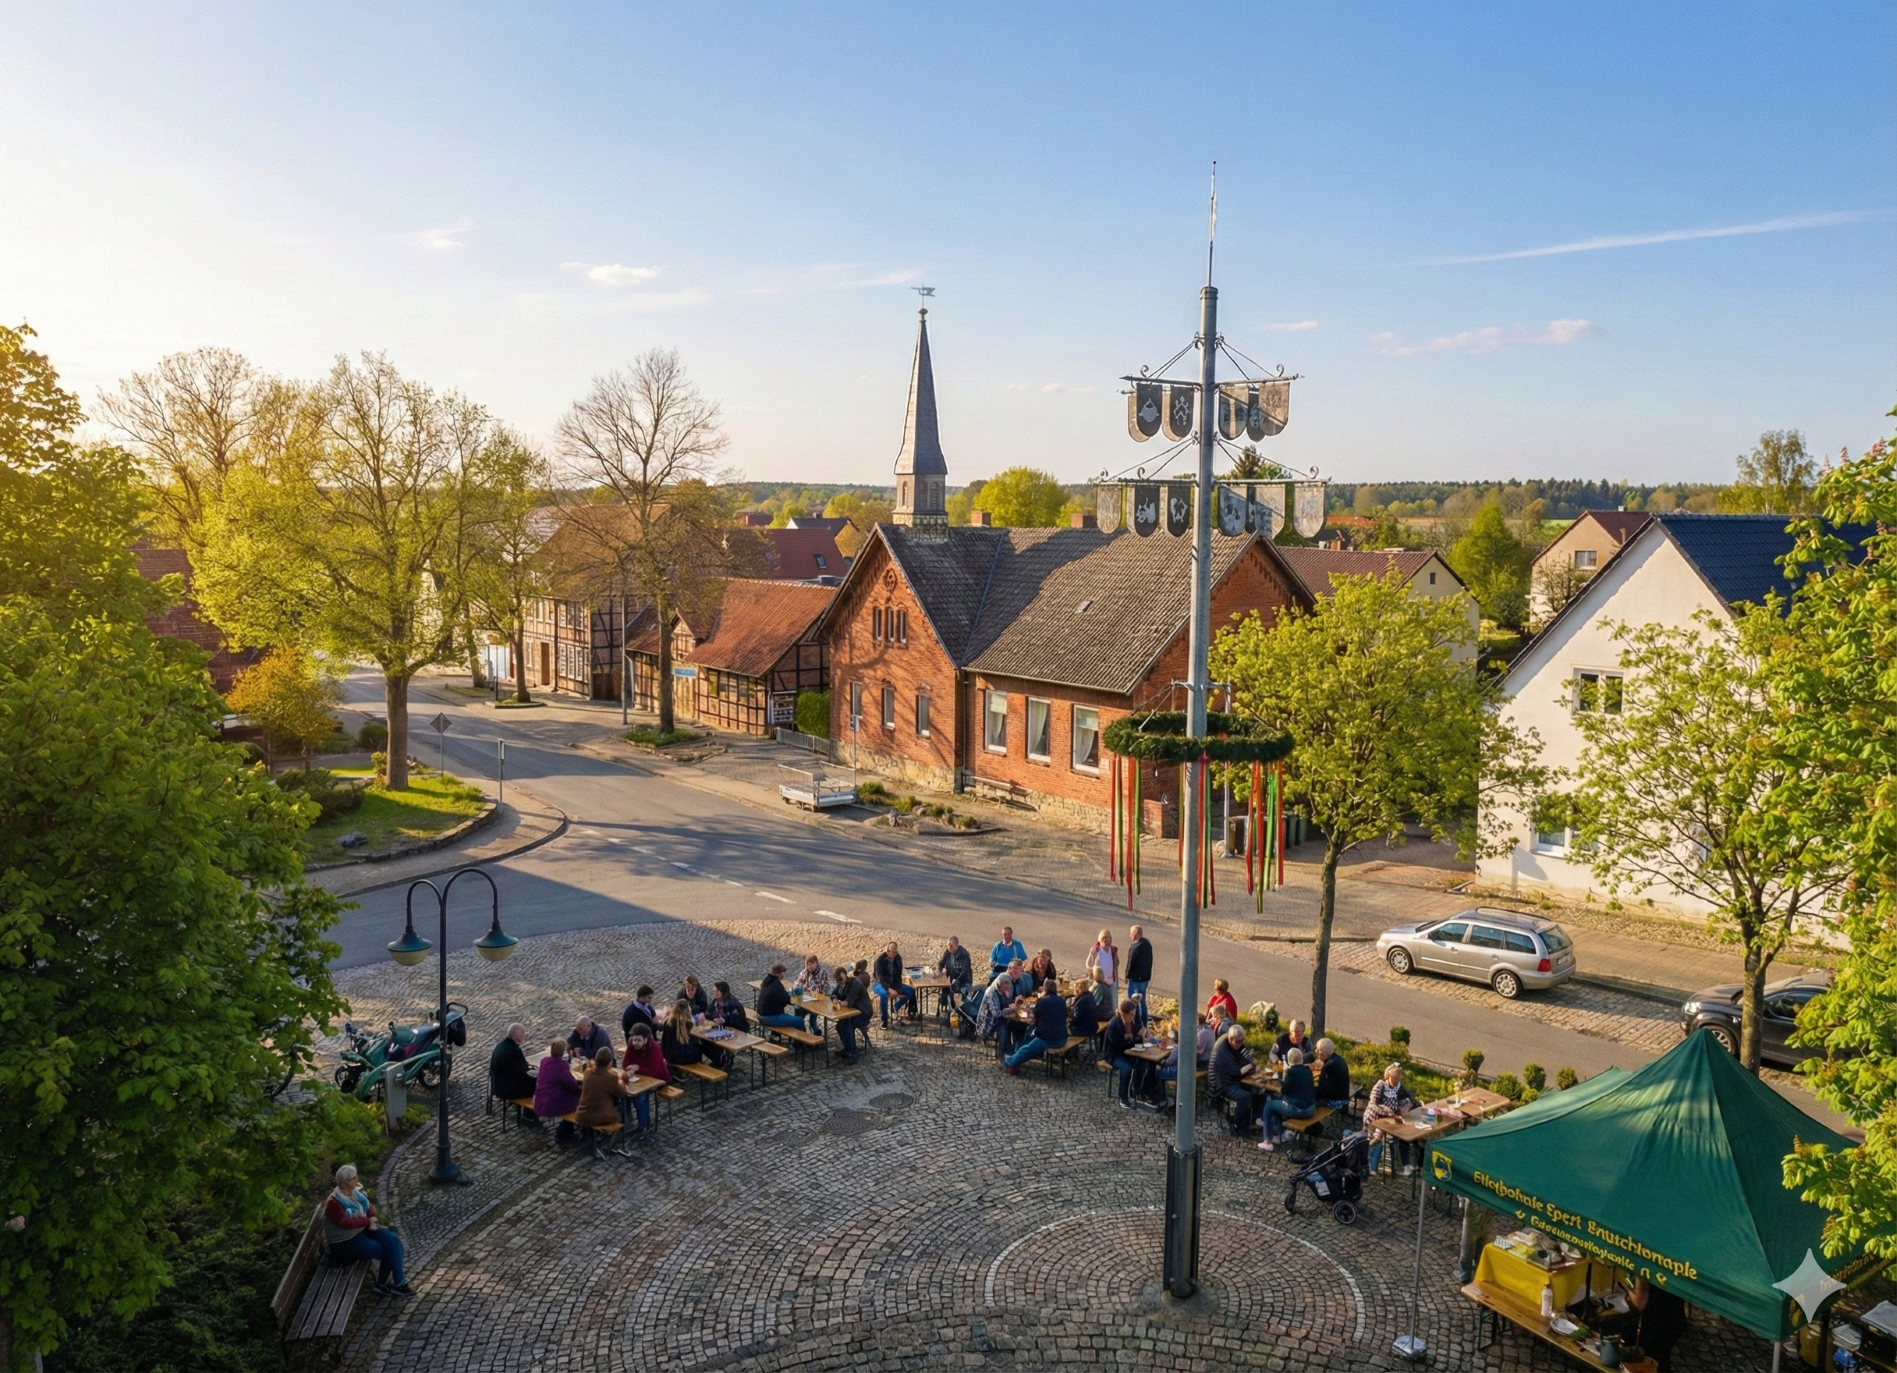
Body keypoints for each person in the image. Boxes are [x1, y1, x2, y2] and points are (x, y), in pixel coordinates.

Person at [324, 1165, 409, 1295]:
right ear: (343, 1182)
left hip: (361, 1230)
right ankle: (381, 1285)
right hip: (345, 1242)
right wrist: (367, 1221)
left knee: (393, 1241)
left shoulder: (355, 1193)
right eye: (352, 1178)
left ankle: (399, 1283)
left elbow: (368, 1206)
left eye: (355, 1176)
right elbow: (344, 1223)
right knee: (385, 1251)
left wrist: (372, 1218)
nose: (356, 1179)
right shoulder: (334, 1202)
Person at [1597, 1277, 1688, 1373]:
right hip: (1674, 1317)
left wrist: (1633, 1294)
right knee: (1661, 1355)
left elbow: (1639, 1300)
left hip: (1655, 1319)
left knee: (1653, 1354)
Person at [1362, 1062, 1418, 1176]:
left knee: (1377, 1139)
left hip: (1387, 1120)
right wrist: (1388, 1113)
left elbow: (1409, 1097)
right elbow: (1373, 1104)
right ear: (1388, 1077)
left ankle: (1370, 1165)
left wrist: (1405, 1106)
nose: (1397, 1082)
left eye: (1398, 1080)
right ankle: (1364, 1163)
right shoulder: (1380, 1086)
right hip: (1374, 1117)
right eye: (1395, 1080)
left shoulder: (1397, 1087)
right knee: (1368, 1139)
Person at [1004, 980, 1069, 1073]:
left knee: (1026, 1048)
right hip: (1062, 1037)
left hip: (1048, 1038)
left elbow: (1033, 1019)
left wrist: (1029, 1011)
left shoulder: (1042, 1001)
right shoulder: (1062, 1001)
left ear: (1045, 989)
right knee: (1030, 1043)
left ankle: (1010, 1062)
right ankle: (1015, 1059)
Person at [1210, 1025, 1263, 1137]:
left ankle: (1254, 1119)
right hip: (1222, 1085)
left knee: (1257, 1091)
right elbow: (1239, 1070)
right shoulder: (1223, 1053)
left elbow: (1247, 1059)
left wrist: (1249, 1066)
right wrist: (1248, 1067)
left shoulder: (1235, 1046)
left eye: (1242, 1041)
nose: (1240, 1044)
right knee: (1244, 1096)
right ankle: (1236, 1123)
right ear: (1230, 1039)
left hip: (1232, 1080)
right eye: (1237, 1042)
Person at [1261, 1046, 1316, 1152]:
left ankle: (1267, 1141)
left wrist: (1280, 1078)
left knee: (1269, 1106)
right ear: (1301, 1059)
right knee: (1277, 1104)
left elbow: (1284, 1090)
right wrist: (1281, 1080)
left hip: (1299, 1109)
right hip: (1310, 1108)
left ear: (1289, 1060)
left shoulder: (1292, 1072)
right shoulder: (1308, 1070)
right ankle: (1282, 1132)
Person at [1102, 998, 1155, 1107]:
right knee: (1126, 1067)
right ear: (1123, 1013)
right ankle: (1123, 1097)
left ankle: (1137, 1090)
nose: (1133, 1016)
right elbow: (1118, 1046)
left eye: (1134, 1013)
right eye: (1131, 1014)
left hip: (1129, 1051)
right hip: (1114, 1054)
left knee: (1143, 1063)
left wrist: (1141, 1035)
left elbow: (1137, 1038)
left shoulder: (1134, 1021)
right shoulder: (1114, 1025)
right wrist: (1130, 1039)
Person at [620, 1022, 669, 1135]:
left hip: (658, 1079)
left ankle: (644, 1126)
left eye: (638, 1040)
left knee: (640, 1097)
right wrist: (630, 1068)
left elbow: (653, 1071)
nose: (635, 1043)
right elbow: (625, 1063)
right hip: (639, 1079)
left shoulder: (655, 1049)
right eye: (634, 1040)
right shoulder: (631, 1045)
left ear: (646, 1039)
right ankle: (627, 1123)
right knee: (624, 1094)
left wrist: (636, 1069)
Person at [575, 1047, 629, 1142]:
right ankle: (615, 1139)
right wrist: (623, 1080)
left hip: (582, 1114)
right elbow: (621, 1093)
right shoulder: (611, 1077)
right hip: (601, 1117)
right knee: (620, 1107)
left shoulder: (587, 1073)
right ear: (610, 1062)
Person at [534, 1040, 581, 1138]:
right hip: (553, 1104)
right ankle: (566, 1128)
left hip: (541, 1099)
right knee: (579, 1097)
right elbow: (572, 1085)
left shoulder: (544, 1061)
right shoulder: (561, 1066)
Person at [488, 1023, 537, 1115]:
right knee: (539, 1085)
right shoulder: (514, 1051)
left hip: (496, 1085)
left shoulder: (500, 1045)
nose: (524, 1036)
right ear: (517, 1036)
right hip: (506, 1090)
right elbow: (522, 1073)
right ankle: (529, 1115)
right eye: (523, 1034)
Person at [872, 942, 916, 1027]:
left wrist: (895, 989)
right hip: (879, 983)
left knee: (911, 992)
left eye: (893, 952)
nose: (891, 953)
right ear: (886, 950)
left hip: (893, 983)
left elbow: (898, 976)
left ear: (896, 952)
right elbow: (880, 978)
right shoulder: (880, 961)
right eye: (889, 951)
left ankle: (896, 1007)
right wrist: (889, 989)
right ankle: (884, 1019)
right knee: (884, 995)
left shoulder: (898, 959)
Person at [834, 965, 872, 1063]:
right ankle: (847, 1048)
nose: (840, 983)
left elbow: (848, 1002)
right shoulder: (841, 984)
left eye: (841, 980)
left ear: (846, 976)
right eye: (838, 981)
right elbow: (832, 995)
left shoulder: (854, 984)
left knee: (848, 1025)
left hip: (863, 1012)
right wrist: (835, 997)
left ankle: (853, 1053)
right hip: (852, 1012)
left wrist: (838, 1001)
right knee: (839, 1026)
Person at [974, 961, 1018, 1044]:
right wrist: (1009, 1010)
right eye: (1006, 984)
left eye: (1009, 984)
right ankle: (1003, 1052)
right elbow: (996, 1013)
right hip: (988, 1024)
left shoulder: (1003, 990)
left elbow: (1007, 1003)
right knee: (1004, 1027)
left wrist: (1014, 1002)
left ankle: (1015, 1046)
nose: (1008, 986)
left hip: (998, 1020)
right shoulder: (991, 993)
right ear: (999, 983)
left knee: (1013, 1024)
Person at [756, 964, 806, 1033]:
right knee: (799, 1020)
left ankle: (776, 1035)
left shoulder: (766, 981)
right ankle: (797, 1043)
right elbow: (788, 1000)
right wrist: (798, 997)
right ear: (781, 973)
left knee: (790, 1017)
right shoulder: (776, 985)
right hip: (769, 1018)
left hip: (760, 1015)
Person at [660, 1000, 704, 1069]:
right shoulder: (686, 1023)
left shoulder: (667, 1021)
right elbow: (692, 1040)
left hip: (668, 1055)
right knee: (699, 1048)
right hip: (682, 1057)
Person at [1124, 925, 1153, 1025]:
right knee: (1143, 1001)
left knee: (1133, 1001)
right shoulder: (1147, 943)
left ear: (1135, 934)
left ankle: (1135, 1023)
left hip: (1136, 979)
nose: (1130, 936)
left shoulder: (1135, 947)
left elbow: (1130, 963)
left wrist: (1127, 975)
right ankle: (1144, 1023)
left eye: (1131, 933)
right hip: (1145, 977)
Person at [791, 955, 828, 1031]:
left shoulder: (822, 973)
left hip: (818, 1000)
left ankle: (814, 1027)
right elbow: (797, 984)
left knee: (813, 1013)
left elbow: (818, 989)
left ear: (817, 963)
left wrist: (805, 989)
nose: (809, 966)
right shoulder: (804, 972)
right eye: (808, 964)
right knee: (797, 1005)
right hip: (806, 999)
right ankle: (801, 1030)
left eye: (812, 963)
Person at [1313, 1037, 1350, 1111]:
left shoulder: (1329, 1066)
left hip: (1336, 1101)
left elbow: (1324, 1090)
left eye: (1318, 1050)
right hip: (1343, 1096)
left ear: (1324, 1052)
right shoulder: (1338, 1059)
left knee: (1308, 1101)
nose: (1316, 1051)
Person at [1085, 929, 1118, 1006]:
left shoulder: (1112, 950)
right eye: (1104, 939)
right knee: (1099, 1001)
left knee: (1113, 1002)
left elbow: (1116, 963)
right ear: (1100, 940)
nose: (1106, 941)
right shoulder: (1095, 950)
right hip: (1100, 980)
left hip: (1111, 980)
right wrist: (1093, 970)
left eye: (1108, 938)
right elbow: (1088, 964)